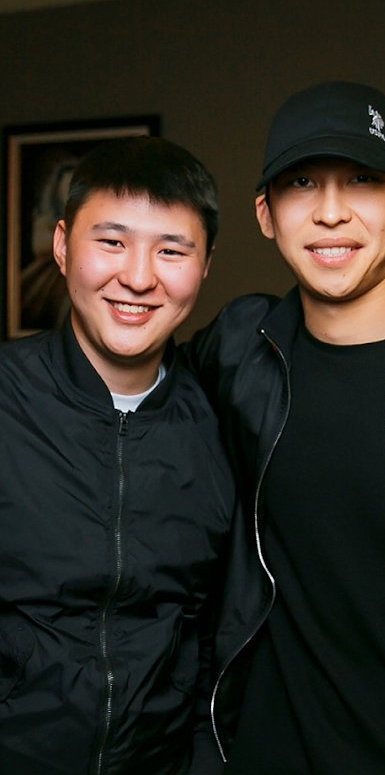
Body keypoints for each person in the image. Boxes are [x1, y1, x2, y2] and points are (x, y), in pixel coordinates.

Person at [185, 82, 385, 774]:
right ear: (265, 214)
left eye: (362, 180)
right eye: (302, 182)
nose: (331, 211)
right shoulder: (234, 351)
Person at [0, 135, 236, 775]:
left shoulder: (224, 424)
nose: (137, 277)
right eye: (111, 242)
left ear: (205, 264)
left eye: (171, 250)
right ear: (61, 245)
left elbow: (214, 637)